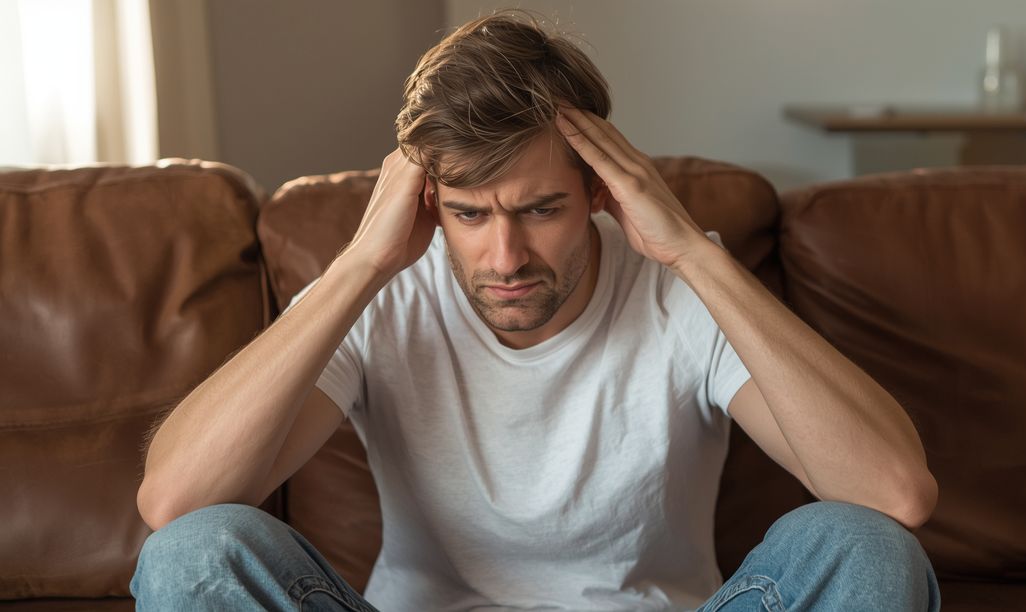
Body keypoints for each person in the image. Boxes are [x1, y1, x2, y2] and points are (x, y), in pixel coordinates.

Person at [131, 10, 941, 612]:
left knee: (864, 548)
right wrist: (359, 265)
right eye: (470, 215)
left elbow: (895, 496)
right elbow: (176, 510)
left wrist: (693, 252)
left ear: (600, 188)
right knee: (195, 553)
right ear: (427, 201)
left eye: (541, 210)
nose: (506, 257)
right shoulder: (385, 293)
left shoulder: (681, 288)